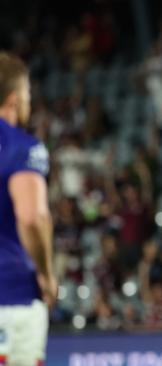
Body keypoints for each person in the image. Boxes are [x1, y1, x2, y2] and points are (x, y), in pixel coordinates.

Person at [0, 52, 56, 365]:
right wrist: (47, 274)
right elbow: (32, 218)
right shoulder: (22, 148)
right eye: (28, 96)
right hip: (11, 296)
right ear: (14, 99)